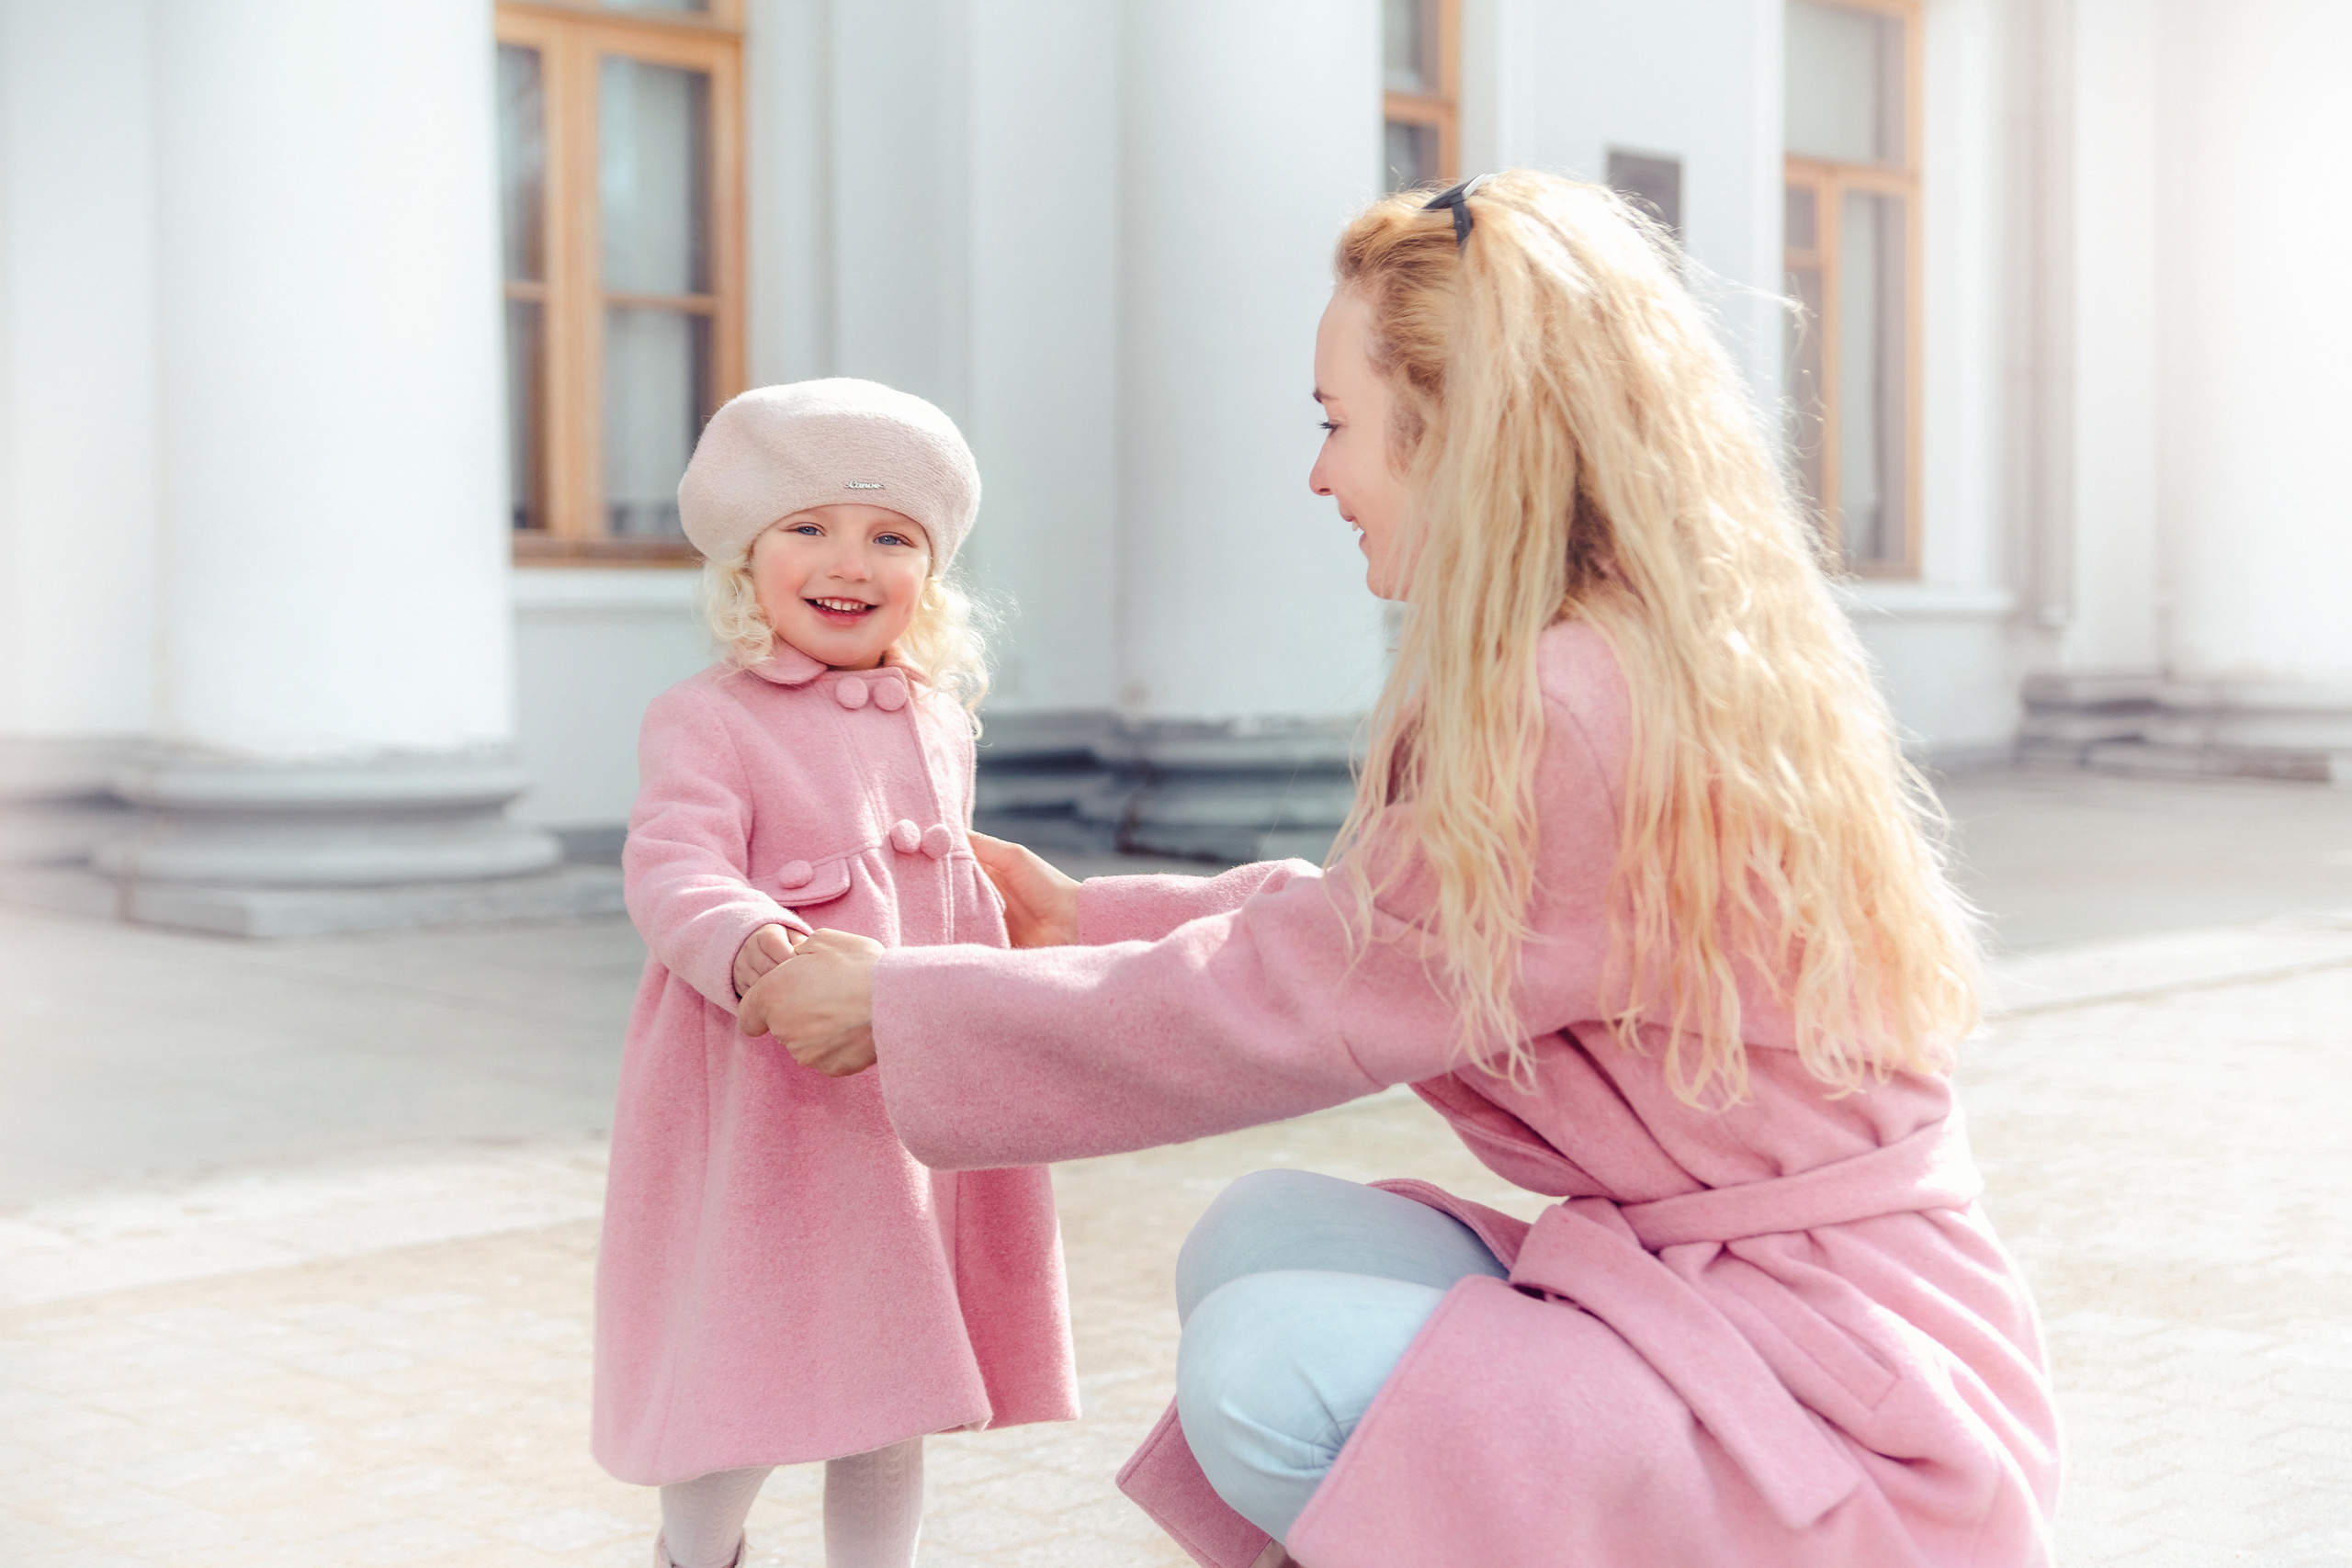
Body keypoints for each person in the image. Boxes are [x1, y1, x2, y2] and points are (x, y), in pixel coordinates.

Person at [742, 175, 2060, 1567]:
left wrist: (901, 1010)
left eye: (1337, 424)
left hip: (1839, 1405)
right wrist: (1087, 918)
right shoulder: (1615, 655)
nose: (1321, 474)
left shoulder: (1570, 703)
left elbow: (1316, 998)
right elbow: (1397, 937)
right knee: (1263, 1234)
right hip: (1742, 1301)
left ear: (1461, 436)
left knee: (1269, 1358)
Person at [591, 378, 1078, 1568]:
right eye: (807, 527)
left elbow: (945, 877)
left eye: (890, 536)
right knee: (748, 1374)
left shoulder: (940, 721)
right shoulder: (707, 718)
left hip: (906, 1105)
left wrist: (1004, 952)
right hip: (775, 1099)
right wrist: (754, 942)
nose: (846, 560)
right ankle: (692, 1553)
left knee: (895, 1381)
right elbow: (671, 866)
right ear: (746, 559)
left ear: (930, 570)